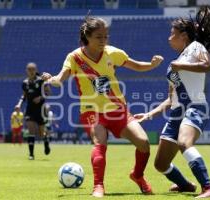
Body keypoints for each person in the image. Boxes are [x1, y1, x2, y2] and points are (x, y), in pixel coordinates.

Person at [42, 16, 163, 197]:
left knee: (144, 143)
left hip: (118, 110)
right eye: (99, 37)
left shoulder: (112, 52)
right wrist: (53, 80)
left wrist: (151, 65)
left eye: (106, 36)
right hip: (92, 111)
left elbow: (136, 65)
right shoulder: (74, 57)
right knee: (100, 141)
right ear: (87, 36)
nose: (104, 40)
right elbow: (61, 77)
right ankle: (98, 186)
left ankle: (137, 176)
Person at [134, 6, 210, 198]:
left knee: (185, 142)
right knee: (160, 164)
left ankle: (209, 187)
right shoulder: (174, 62)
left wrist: (180, 65)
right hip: (176, 113)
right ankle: (186, 185)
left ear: (183, 35)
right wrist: (149, 114)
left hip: (195, 107)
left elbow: (207, 65)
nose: (169, 37)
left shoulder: (195, 48)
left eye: (172, 33)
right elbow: (170, 98)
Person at [15, 62, 51, 160]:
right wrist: (19, 104)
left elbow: (48, 92)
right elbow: (24, 95)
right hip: (30, 109)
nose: (31, 71)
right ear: (26, 71)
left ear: (35, 70)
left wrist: (40, 97)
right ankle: (31, 154)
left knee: (41, 132)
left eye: (33, 69)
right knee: (31, 130)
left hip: (40, 109)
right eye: (29, 70)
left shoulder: (41, 81)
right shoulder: (25, 83)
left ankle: (46, 141)